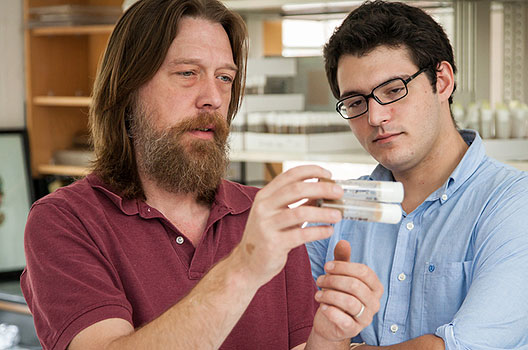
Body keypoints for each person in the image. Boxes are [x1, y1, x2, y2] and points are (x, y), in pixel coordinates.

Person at [20, 0, 383, 349]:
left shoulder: (263, 215)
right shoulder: (65, 221)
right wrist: (245, 266)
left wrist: (331, 336)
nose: (213, 97)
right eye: (187, 73)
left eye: (225, 77)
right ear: (127, 88)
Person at [306, 1, 528, 349]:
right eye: (355, 102)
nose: (376, 117)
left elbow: (466, 346)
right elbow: (295, 336)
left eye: (393, 90)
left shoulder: (517, 203)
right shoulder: (338, 211)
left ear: (442, 81)